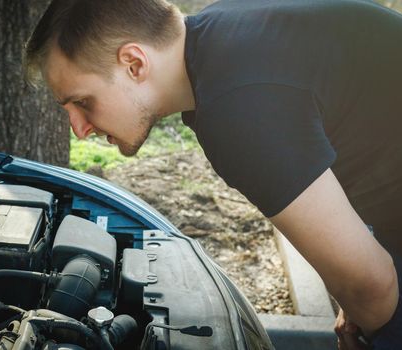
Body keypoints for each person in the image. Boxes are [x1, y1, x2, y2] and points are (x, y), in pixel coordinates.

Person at [24, 0, 402, 348]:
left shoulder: (237, 108)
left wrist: (364, 304)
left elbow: (370, 287)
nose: (78, 128)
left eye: (82, 102)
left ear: (134, 63)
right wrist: (353, 289)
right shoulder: (224, 34)